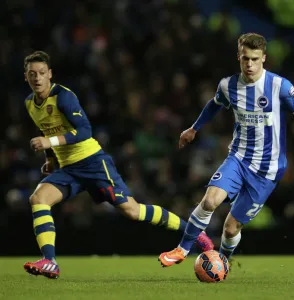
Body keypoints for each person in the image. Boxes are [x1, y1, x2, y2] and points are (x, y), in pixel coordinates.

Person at [22, 51, 213, 279]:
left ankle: (195, 233)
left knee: (133, 211)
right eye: (32, 74)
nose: (37, 78)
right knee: (38, 198)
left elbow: (85, 131)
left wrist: (49, 142)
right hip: (68, 169)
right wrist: (50, 158)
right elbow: (48, 129)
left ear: (50, 74)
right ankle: (50, 261)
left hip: (92, 163)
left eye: (42, 73)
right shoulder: (30, 104)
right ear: (26, 76)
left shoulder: (63, 96)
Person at [158, 32, 294, 267]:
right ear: (239, 57)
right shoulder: (228, 85)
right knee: (210, 201)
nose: (250, 65)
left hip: (267, 170)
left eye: (255, 59)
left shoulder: (279, 86)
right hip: (239, 158)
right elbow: (215, 104)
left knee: (231, 227)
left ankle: (222, 261)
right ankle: (182, 249)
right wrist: (194, 128)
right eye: (245, 59)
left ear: (264, 58)